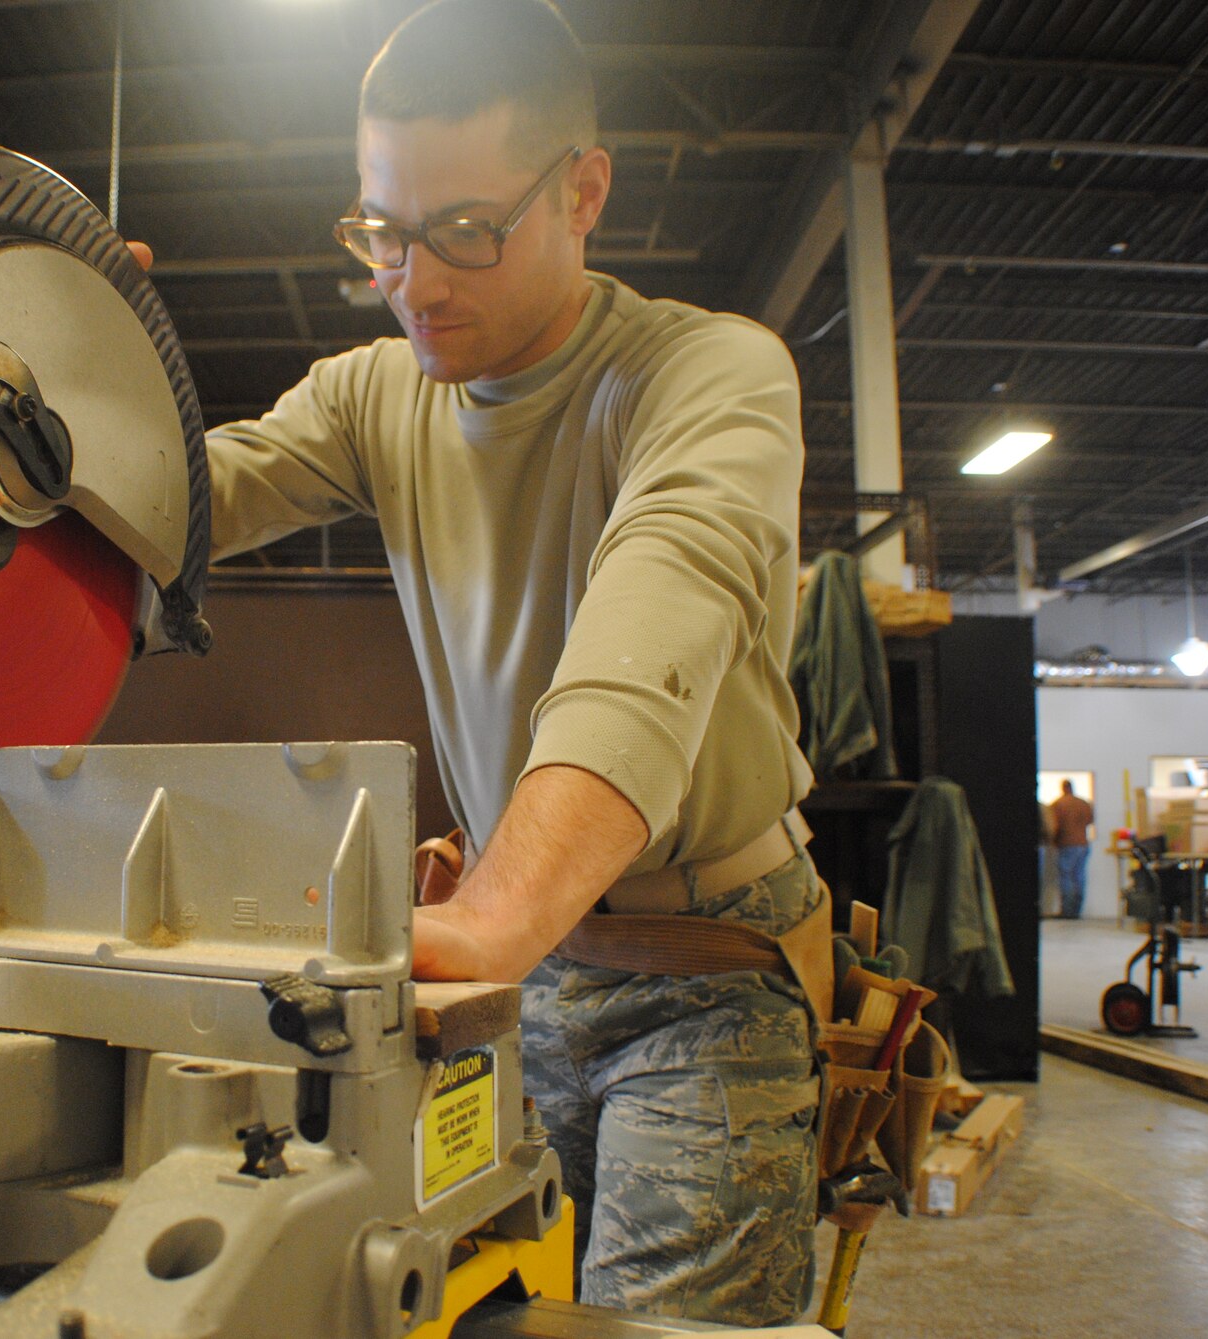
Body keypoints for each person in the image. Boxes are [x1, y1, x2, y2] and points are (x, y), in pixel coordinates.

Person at [145, 0, 820, 1325]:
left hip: (706, 974)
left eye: (465, 230)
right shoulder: (372, 394)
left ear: (584, 190)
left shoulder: (706, 375)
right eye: (384, 232)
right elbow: (169, 500)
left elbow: (654, 621)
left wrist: (504, 906)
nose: (420, 280)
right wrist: (74, 369)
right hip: (521, 971)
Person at [1049, 780, 1094, 919]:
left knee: (1066, 877)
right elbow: (1090, 820)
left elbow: (1054, 826)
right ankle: (1077, 911)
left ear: (1063, 788)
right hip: (1083, 844)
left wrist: (1053, 840)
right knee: (1079, 876)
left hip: (1067, 844)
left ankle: (1066, 911)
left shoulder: (1058, 804)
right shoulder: (1084, 803)